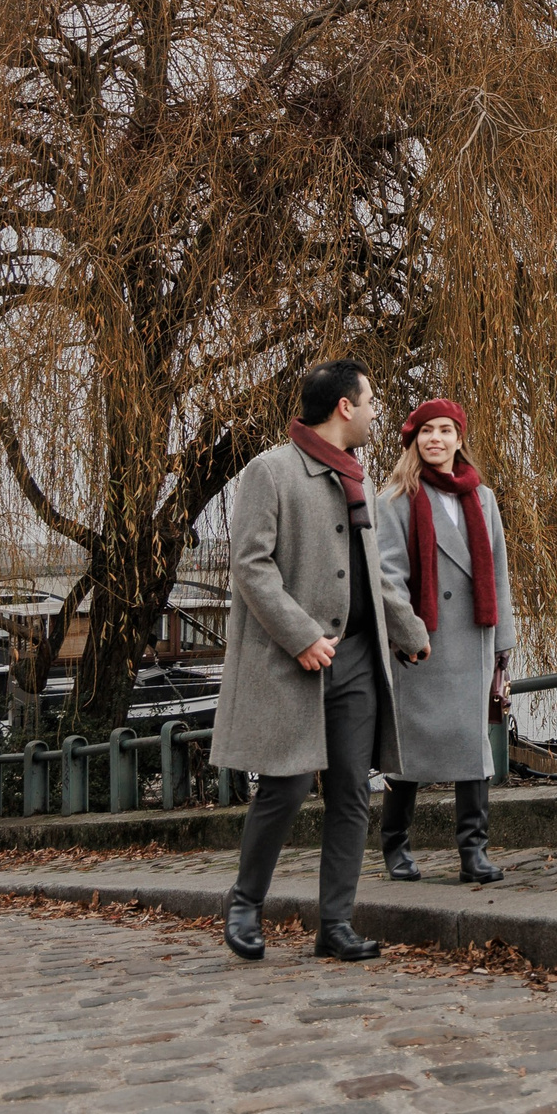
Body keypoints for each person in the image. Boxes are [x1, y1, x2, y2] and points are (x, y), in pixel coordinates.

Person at [209, 359, 430, 963]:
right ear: (343, 408)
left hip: (358, 660)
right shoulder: (270, 472)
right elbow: (252, 567)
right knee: (284, 786)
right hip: (294, 663)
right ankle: (245, 903)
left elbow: (375, 574)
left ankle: (335, 924)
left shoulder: (357, 477)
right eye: (370, 399)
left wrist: (409, 630)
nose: (376, 410)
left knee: (353, 795)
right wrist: (302, 636)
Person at [372, 397, 516, 884]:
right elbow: (386, 577)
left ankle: (473, 851)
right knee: (407, 750)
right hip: (420, 646)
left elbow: (497, 574)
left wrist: (503, 643)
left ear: (459, 438)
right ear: (413, 440)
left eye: (445, 431)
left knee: (474, 747)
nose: (436, 439)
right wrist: (409, 634)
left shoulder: (484, 498)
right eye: (426, 431)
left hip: (472, 641)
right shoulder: (394, 499)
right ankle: (395, 846)